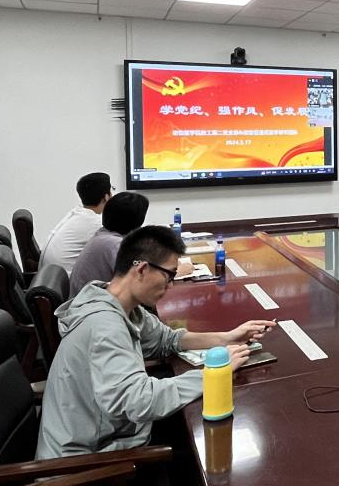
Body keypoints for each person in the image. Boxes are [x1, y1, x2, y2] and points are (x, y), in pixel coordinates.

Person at [36, 225, 278, 459]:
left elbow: (167, 339)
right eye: (169, 275)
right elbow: (139, 401)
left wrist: (228, 337)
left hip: (108, 433)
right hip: (87, 461)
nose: (170, 285)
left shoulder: (114, 301)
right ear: (142, 269)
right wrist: (215, 375)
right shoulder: (105, 326)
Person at [69, 191, 149, 297]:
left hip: (90, 300)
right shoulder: (114, 244)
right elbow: (140, 280)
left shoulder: (103, 235)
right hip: (92, 304)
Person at [40, 172, 113, 274]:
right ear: (106, 197)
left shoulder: (77, 213)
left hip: (49, 278)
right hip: (65, 281)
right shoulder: (96, 223)